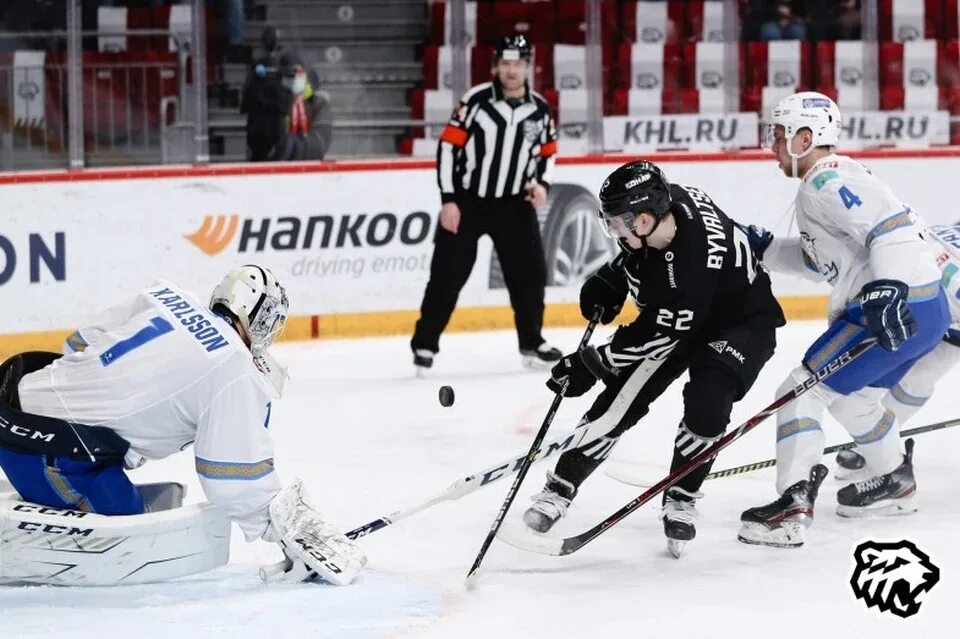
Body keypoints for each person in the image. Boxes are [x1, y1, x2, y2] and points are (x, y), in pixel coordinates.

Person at [0, 265, 365, 584]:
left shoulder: (167, 296)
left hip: (18, 391)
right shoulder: (234, 370)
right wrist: (290, 532)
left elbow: (78, 343)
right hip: (44, 446)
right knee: (127, 536)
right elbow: (232, 477)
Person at [521, 160, 786, 557]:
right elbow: (650, 263)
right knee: (621, 400)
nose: (614, 231)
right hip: (686, 313)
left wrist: (591, 364)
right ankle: (560, 486)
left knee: (708, 403)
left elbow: (656, 332)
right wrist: (613, 276)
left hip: (741, 324)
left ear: (643, 220)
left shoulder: (692, 263)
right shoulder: (667, 210)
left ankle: (682, 494)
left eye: (618, 223)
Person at [736, 91, 950, 549]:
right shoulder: (825, 184)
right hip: (925, 308)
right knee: (855, 401)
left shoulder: (824, 180)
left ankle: (792, 505)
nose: (771, 146)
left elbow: (888, 226)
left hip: (898, 304)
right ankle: (895, 479)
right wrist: (767, 249)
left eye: (778, 135)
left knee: (800, 392)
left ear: (805, 137)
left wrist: (888, 287)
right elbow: (823, 260)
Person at [410, 34, 562, 373]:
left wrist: (542, 185)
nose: (511, 70)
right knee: (447, 277)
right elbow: (448, 148)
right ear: (496, 65)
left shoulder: (539, 108)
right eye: (506, 63)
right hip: (468, 203)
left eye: (518, 63)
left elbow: (548, 153)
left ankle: (532, 341)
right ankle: (424, 344)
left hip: (515, 205)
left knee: (530, 275)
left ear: (528, 66)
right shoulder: (475, 101)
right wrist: (449, 200)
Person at [834, 223, 960, 476]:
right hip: (929, 301)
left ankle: (875, 446)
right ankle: (876, 444)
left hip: (947, 315)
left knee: (921, 375)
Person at [241, 26, 292, 162]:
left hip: (260, 126)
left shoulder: (257, 69)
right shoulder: (282, 68)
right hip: (270, 125)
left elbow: (246, 98)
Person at [279, 65, 333, 161]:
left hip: (308, 163)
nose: (294, 81)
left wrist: (293, 147)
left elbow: (321, 141)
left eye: (299, 77)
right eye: (291, 77)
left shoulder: (319, 103)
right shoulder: (278, 102)